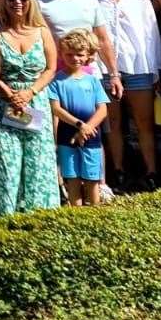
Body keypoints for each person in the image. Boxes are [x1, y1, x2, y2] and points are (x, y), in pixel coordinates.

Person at [0, 0, 59, 217]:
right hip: (4, 101)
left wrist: (30, 92)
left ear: (30, 0)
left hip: (34, 100)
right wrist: (8, 92)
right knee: (7, 160)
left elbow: (51, 68)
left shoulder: (42, 32)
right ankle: (6, 216)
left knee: (38, 160)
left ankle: (38, 215)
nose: (17, 2)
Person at [93, 0, 161, 192]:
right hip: (104, 70)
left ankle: (151, 171)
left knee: (144, 122)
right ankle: (119, 171)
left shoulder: (141, 1)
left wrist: (155, 71)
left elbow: (151, 36)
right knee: (112, 123)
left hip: (138, 67)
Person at [37, 0, 118, 97]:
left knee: (93, 118)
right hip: (52, 75)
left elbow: (102, 39)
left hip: (87, 73)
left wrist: (114, 74)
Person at [48, 28, 109, 206]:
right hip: (67, 135)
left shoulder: (92, 81)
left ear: (87, 55)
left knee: (92, 179)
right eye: (69, 54)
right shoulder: (56, 81)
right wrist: (79, 125)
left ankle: (94, 215)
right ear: (62, 54)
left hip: (92, 136)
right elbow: (56, 109)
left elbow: (102, 110)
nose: (75, 58)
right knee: (72, 178)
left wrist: (88, 128)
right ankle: (76, 214)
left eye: (79, 54)